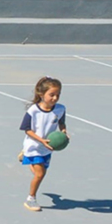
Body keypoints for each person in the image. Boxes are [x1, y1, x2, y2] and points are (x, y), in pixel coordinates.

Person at [20, 77, 67, 212]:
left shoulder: (60, 109)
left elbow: (61, 123)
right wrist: (41, 141)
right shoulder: (33, 111)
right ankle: (31, 198)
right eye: (51, 95)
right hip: (34, 146)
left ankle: (26, 159)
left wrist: (63, 132)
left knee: (40, 172)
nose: (55, 98)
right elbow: (27, 130)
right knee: (40, 174)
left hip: (47, 148)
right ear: (42, 94)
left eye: (58, 95)